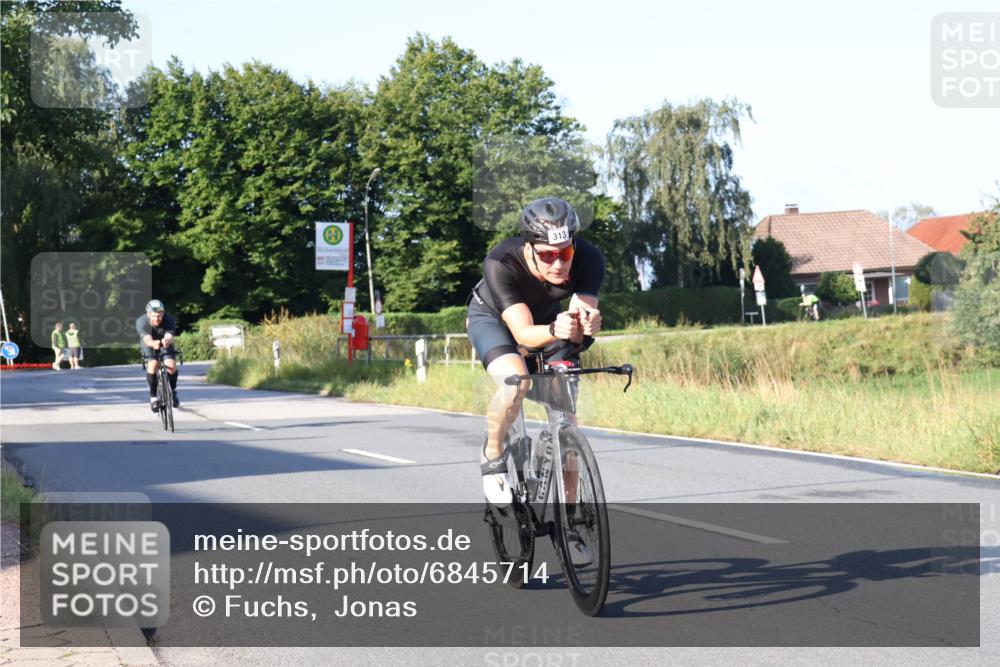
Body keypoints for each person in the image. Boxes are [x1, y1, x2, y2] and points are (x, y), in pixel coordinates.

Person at [466, 196, 604, 566]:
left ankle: (572, 522)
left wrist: (587, 324)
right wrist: (557, 328)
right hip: (496, 321)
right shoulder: (501, 261)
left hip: (547, 324)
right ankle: (493, 458)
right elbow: (525, 336)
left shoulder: (589, 258)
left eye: (565, 252)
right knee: (517, 382)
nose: (558, 262)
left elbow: (580, 321)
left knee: (567, 417)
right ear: (529, 247)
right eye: (547, 255)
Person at [137, 299, 180, 412]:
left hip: (164, 340)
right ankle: (153, 397)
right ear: (148, 314)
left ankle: (173, 391)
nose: (157, 319)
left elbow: (169, 334)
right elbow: (146, 338)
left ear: (163, 314)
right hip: (149, 342)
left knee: (170, 364)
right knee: (154, 363)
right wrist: (152, 343)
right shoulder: (142, 321)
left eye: (159, 316)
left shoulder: (169, 319)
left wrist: (166, 340)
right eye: (154, 316)